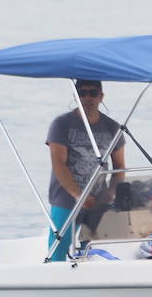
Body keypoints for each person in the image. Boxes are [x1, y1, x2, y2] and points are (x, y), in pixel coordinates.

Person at [47, 79, 126, 261]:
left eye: (93, 93)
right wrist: (78, 196)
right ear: (76, 96)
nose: (87, 97)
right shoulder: (61, 124)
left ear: (101, 96)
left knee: (91, 251)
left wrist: (110, 196)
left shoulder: (112, 127)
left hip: (99, 199)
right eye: (82, 93)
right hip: (66, 199)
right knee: (58, 251)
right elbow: (59, 164)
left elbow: (119, 168)